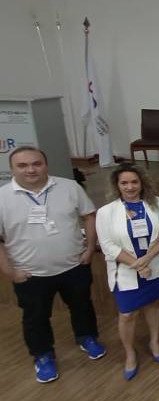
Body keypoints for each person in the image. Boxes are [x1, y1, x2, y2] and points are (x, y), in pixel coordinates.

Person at [0, 147, 105, 383]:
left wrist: (89, 249)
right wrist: (9, 271)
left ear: (46, 165)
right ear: (12, 169)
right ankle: (43, 355)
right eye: (22, 165)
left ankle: (87, 337)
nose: (31, 170)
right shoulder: (2, 197)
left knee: (82, 305)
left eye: (36, 164)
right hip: (30, 274)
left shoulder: (69, 187)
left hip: (74, 265)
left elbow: (89, 215)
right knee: (35, 317)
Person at [96, 164, 159, 380]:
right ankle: (130, 353)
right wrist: (137, 265)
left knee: (154, 304)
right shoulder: (106, 212)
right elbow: (107, 245)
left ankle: (154, 342)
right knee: (128, 314)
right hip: (125, 271)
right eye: (124, 183)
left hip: (153, 265)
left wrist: (146, 260)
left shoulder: (157, 203)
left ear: (142, 183)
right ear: (117, 185)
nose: (130, 187)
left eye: (134, 182)